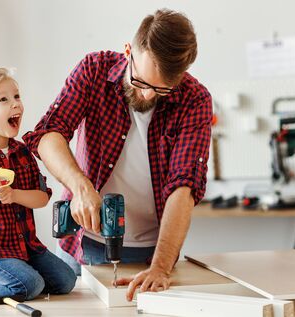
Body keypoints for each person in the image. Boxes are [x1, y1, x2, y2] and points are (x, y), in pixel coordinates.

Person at [23, 9, 212, 301]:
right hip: (82, 242)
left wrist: (161, 267)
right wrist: (81, 187)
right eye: (141, 82)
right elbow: (49, 135)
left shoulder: (194, 99)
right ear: (128, 52)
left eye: (161, 89)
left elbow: (183, 188)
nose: (148, 95)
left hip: (152, 251)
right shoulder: (93, 70)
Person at [0, 68, 76, 299]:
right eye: (4, 99)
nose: (16, 104)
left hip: (26, 247)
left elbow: (42, 197)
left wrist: (15, 195)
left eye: (16, 96)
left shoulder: (23, 153)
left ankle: (18, 277)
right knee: (29, 286)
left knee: (66, 281)